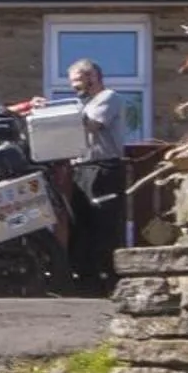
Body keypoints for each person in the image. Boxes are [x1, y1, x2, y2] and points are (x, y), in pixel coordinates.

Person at [65, 57, 128, 294]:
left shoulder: (108, 98)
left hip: (103, 167)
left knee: (105, 224)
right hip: (81, 168)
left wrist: (65, 112)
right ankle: (86, 280)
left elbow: (92, 126)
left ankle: (110, 281)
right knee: (82, 224)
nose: (74, 87)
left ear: (92, 78)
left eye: (78, 82)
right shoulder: (84, 103)